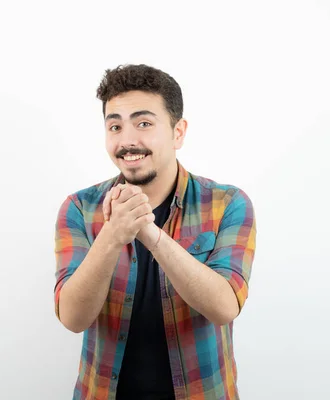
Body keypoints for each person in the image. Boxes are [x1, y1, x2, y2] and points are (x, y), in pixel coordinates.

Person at [53, 64, 257, 400]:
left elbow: (224, 306)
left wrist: (150, 233)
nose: (127, 141)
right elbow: (73, 317)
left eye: (144, 123)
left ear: (178, 132)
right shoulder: (79, 209)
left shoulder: (228, 204)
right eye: (115, 126)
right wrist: (113, 234)